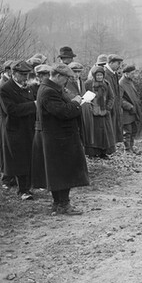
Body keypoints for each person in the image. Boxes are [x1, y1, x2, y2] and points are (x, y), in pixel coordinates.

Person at [37, 63, 90, 215]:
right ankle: (63, 204)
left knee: (58, 173)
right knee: (63, 172)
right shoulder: (49, 91)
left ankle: (59, 203)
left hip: (58, 137)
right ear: (58, 76)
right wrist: (76, 103)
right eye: (66, 78)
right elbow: (63, 112)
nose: (67, 81)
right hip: (58, 138)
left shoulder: (50, 89)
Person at [0, 60, 38, 200]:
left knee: (28, 157)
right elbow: (11, 110)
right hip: (13, 129)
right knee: (19, 159)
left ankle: (27, 187)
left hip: (28, 127)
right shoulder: (5, 89)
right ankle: (23, 190)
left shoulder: (27, 88)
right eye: (22, 74)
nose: (25, 77)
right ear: (13, 74)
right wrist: (33, 105)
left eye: (27, 74)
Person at [81, 64, 116, 159]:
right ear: (94, 75)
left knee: (104, 133)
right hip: (92, 114)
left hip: (104, 113)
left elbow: (111, 97)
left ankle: (103, 153)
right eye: (97, 75)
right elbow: (84, 97)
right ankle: (92, 153)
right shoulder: (88, 84)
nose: (99, 77)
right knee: (93, 133)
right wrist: (90, 109)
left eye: (101, 75)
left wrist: (108, 108)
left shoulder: (106, 84)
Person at [31, 64, 53, 191]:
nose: (46, 77)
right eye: (44, 75)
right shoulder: (34, 87)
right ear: (39, 76)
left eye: (48, 75)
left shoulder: (47, 87)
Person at [119, 64, 142, 153]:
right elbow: (119, 99)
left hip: (133, 111)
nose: (134, 75)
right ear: (126, 73)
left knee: (133, 130)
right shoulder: (121, 83)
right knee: (127, 132)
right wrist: (129, 106)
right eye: (132, 73)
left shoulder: (130, 81)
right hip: (126, 112)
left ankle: (131, 148)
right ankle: (127, 150)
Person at [105, 54, 125, 148]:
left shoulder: (114, 74)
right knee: (110, 127)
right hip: (109, 106)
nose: (119, 66)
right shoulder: (105, 74)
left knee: (115, 127)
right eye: (118, 63)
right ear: (111, 63)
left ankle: (114, 147)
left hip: (116, 106)